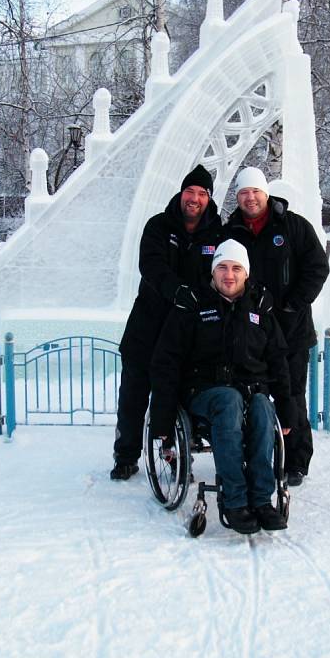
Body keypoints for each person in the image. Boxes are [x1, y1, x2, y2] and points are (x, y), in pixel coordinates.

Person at [149, 239, 296, 535]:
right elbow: (166, 360)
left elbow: (279, 361)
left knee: (261, 406)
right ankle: (235, 499)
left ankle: (261, 500)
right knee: (228, 400)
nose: (229, 275)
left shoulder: (261, 307)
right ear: (213, 271)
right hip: (203, 392)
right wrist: (162, 418)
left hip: (250, 391)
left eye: (236, 268)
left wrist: (288, 409)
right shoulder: (192, 304)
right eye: (223, 268)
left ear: (246, 274)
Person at [111, 164, 222, 480]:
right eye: (190, 191)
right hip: (146, 328)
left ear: (208, 198)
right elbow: (151, 264)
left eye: (202, 194)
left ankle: (172, 454)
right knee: (134, 395)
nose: (195, 199)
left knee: (174, 395)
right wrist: (177, 291)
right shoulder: (159, 226)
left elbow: (218, 273)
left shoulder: (217, 231)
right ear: (181, 193)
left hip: (184, 334)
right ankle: (126, 456)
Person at [224, 167, 329, 486]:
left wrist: (292, 303)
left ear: (265, 194)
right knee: (249, 395)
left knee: (292, 394)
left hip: (291, 329)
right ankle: (252, 452)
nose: (250, 198)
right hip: (251, 331)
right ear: (238, 198)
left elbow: (317, 268)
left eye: (255, 191)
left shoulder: (293, 226)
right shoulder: (232, 231)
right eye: (243, 193)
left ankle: (295, 460)